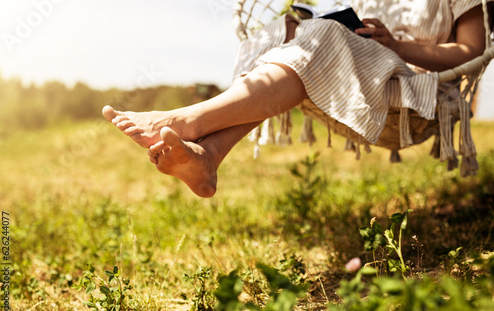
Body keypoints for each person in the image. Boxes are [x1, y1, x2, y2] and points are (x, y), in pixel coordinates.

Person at [102, 0, 493, 198]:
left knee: (322, 41)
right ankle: (207, 158)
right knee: (279, 33)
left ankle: (190, 120)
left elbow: (470, 51)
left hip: (410, 87)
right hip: (352, 74)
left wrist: (397, 45)